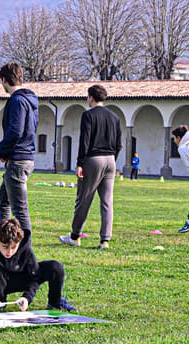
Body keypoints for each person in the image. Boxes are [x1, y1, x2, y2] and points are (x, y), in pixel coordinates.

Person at [59, 84, 122, 250]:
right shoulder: (114, 117)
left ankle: (74, 236)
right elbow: (119, 144)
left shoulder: (88, 116)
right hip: (110, 160)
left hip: (93, 159)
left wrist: (80, 163)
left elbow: (84, 141)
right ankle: (105, 240)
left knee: (84, 199)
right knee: (107, 201)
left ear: (91, 97)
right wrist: (112, 160)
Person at [0, 218, 78, 312]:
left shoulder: (25, 248)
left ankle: (55, 303)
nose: (9, 252)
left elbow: (35, 276)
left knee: (56, 267)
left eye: (13, 247)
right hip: (1, 281)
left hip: (23, 278)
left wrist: (27, 297)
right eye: (5, 247)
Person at [0, 62, 39, 232]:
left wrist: (2, 150)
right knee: (2, 203)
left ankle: (25, 250)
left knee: (20, 211)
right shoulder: (30, 100)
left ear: (4, 79)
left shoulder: (17, 101)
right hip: (25, 157)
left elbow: (15, 131)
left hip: (18, 160)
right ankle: (5, 237)